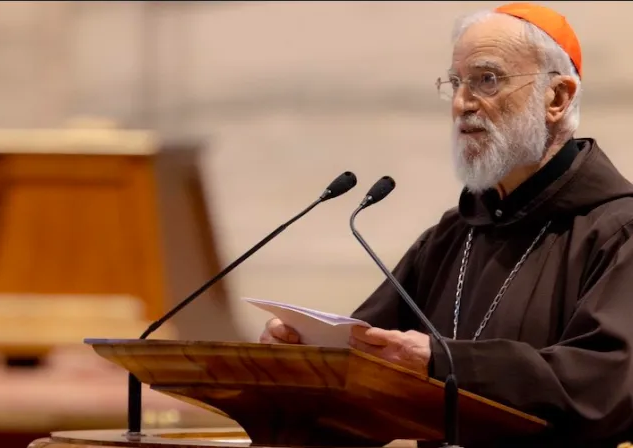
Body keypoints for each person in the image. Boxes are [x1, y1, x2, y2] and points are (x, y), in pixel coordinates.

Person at [260, 3, 633, 447]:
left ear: (558, 97)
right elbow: (362, 362)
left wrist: (445, 362)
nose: (461, 103)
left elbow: (605, 388)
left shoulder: (618, 231)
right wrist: (302, 358)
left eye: (487, 80)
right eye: (456, 83)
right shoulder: (452, 236)